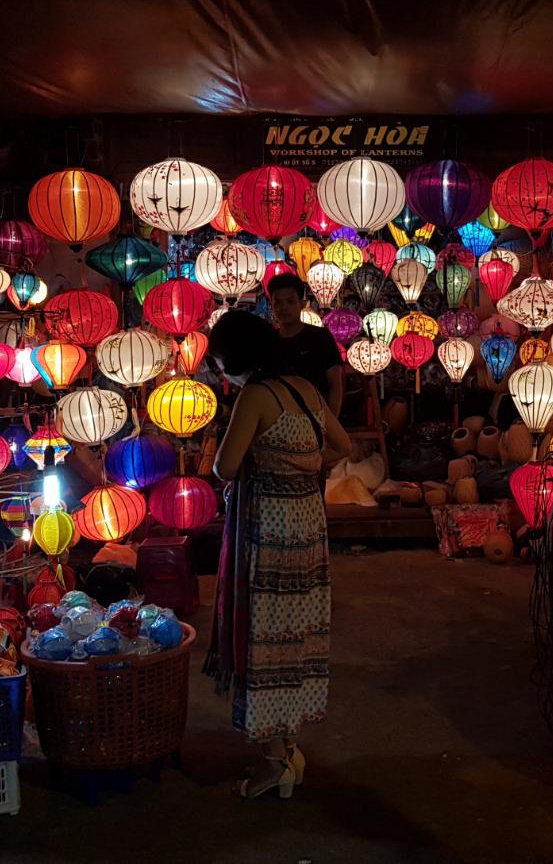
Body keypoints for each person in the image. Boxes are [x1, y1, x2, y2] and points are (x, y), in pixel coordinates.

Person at [203, 310, 353, 799]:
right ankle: (290, 748)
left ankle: (273, 764)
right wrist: (303, 467)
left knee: (266, 638)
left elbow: (226, 467)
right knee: (297, 635)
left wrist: (272, 469)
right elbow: (342, 445)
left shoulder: (255, 396)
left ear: (235, 357)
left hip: (269, 529)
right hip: (308, 526)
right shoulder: (305, 390)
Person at [266, 273, 345, 415]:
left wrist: (331, 423)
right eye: (278, 302)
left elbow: (335, 384)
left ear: (302, 304)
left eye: (290, 301)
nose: (283, 307)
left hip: (316, 414)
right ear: (271, 305)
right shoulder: (269, 340)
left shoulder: (319, 337)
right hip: (280, 420)